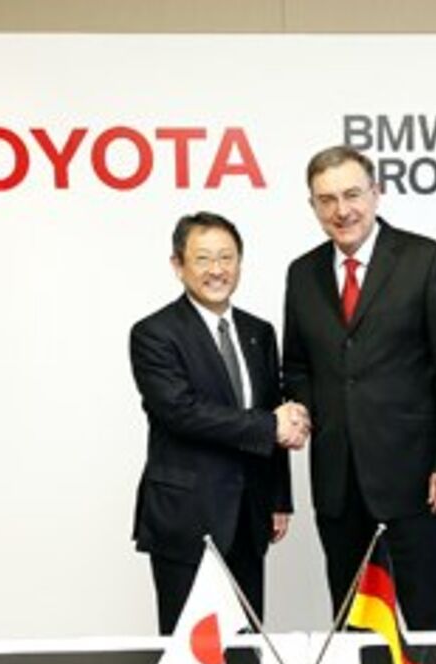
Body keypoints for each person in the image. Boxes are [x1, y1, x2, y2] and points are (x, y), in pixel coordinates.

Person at [283, 146, 436, 631]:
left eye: (352, 194)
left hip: (414, 479)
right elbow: (298, 365)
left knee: (428, 612)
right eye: (326, 199)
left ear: (377, 192)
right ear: (312, 206)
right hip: (337, 481)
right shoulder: (302, 273)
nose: (341, 210)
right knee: (351, 618)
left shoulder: (427, 260)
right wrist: (302, 410)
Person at [131, 211, 309, 634]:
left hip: (250, 514)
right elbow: (181, 411)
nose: (217, 270)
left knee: (249, 641)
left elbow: (272, 407)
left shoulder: (258, 332)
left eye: (227, 258)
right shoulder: (154, 333)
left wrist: (279, 498)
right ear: (178, 265)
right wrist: (270, 425)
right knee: (190, 649)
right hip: (186, 515)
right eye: (203, 258)